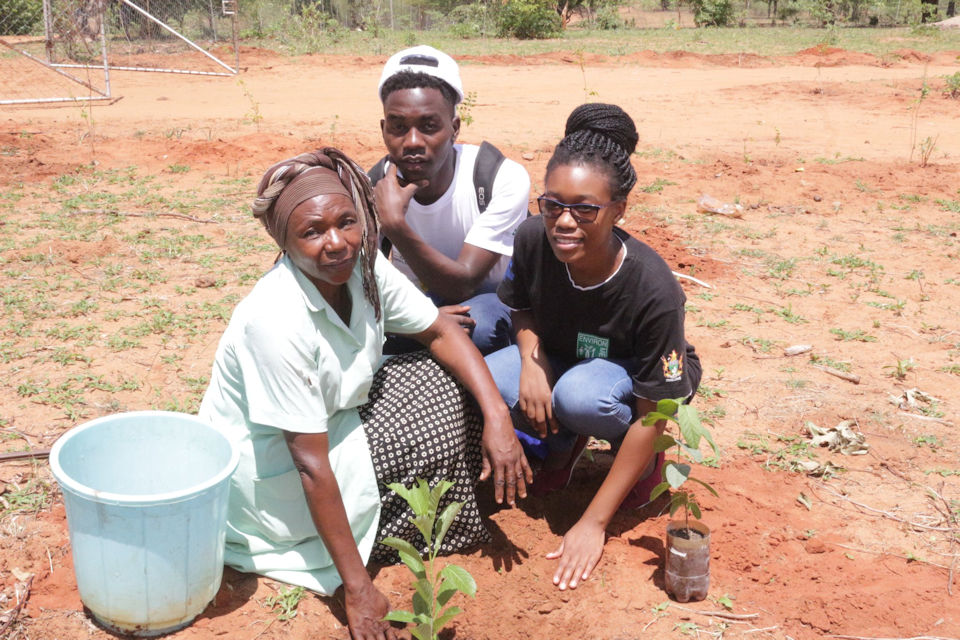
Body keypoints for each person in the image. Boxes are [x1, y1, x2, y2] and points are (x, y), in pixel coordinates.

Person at [198, 148, 530, 640]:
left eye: (347, 222)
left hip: (332, 421)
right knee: (421, 441)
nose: (336, 243)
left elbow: (438, 330)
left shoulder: (362, 267)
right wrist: (354, 588)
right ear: (284, 242)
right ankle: (364, 547)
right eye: (312, 231)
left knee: (448, 384)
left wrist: (499, 417)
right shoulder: (274, 319)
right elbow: (309, 464)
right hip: (277, 472)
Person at [484, 104, 702, 592]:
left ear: (619, 209)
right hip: (562, 354)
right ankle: (561, 448)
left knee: (582, 397)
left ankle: (643, 467)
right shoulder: (531, 240)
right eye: (552, 204)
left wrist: (592, 524)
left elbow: (656, 410)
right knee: (489, 378)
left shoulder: (652, 286)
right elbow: (520, 308)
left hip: (628, 379)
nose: (564, 221)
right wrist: (531, 362)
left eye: (585, 208)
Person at [372, 45, 531, 355]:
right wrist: (421, 319)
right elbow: (358, 287)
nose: (413, 142)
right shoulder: (371, 185)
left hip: (490, 301)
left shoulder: (498, 178)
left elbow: (463, 284)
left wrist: (395, 225)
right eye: (398, 127)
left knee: (479, 328)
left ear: (454, 128)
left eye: (429, 126)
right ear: (384, 130)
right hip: (418, 302)